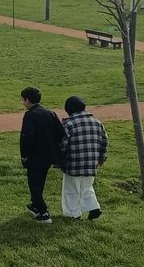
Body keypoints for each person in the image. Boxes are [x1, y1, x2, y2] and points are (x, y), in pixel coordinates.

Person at [20, 86, 64, 223]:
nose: (22, 102)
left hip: (35, 156)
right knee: (40, 182)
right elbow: (61, 133)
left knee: (34, 184)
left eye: (23, 100)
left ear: (27, 100)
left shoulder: (30, 115)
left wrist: (24, 155)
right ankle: (34, 205)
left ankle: (43, 213)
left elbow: (26, 137)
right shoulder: (50, 113)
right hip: (49, 156)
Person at [59, 96, 108, 220]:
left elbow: (63, 144)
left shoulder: (68, 124)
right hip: (92, 162)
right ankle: (93, 207)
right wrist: (101, 158)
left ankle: (73, 214)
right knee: (86, 186)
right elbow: (104, 142)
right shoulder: (97, 123)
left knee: (71, 189)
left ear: (68, 110)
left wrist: (59, 160)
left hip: (73, 162)